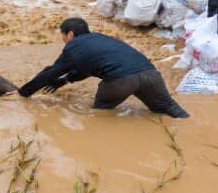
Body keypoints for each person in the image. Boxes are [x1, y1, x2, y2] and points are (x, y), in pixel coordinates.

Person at [19, 18, 189, 118]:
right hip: (151, 75)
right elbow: (86, 69)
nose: (63, 39)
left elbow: (51, 72)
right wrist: (63, 81)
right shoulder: (100, 38)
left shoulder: (74, 46)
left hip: (121, 81)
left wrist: (23, 93)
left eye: (63, 35)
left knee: (100, 115)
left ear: (70, 34)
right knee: (168, 109)